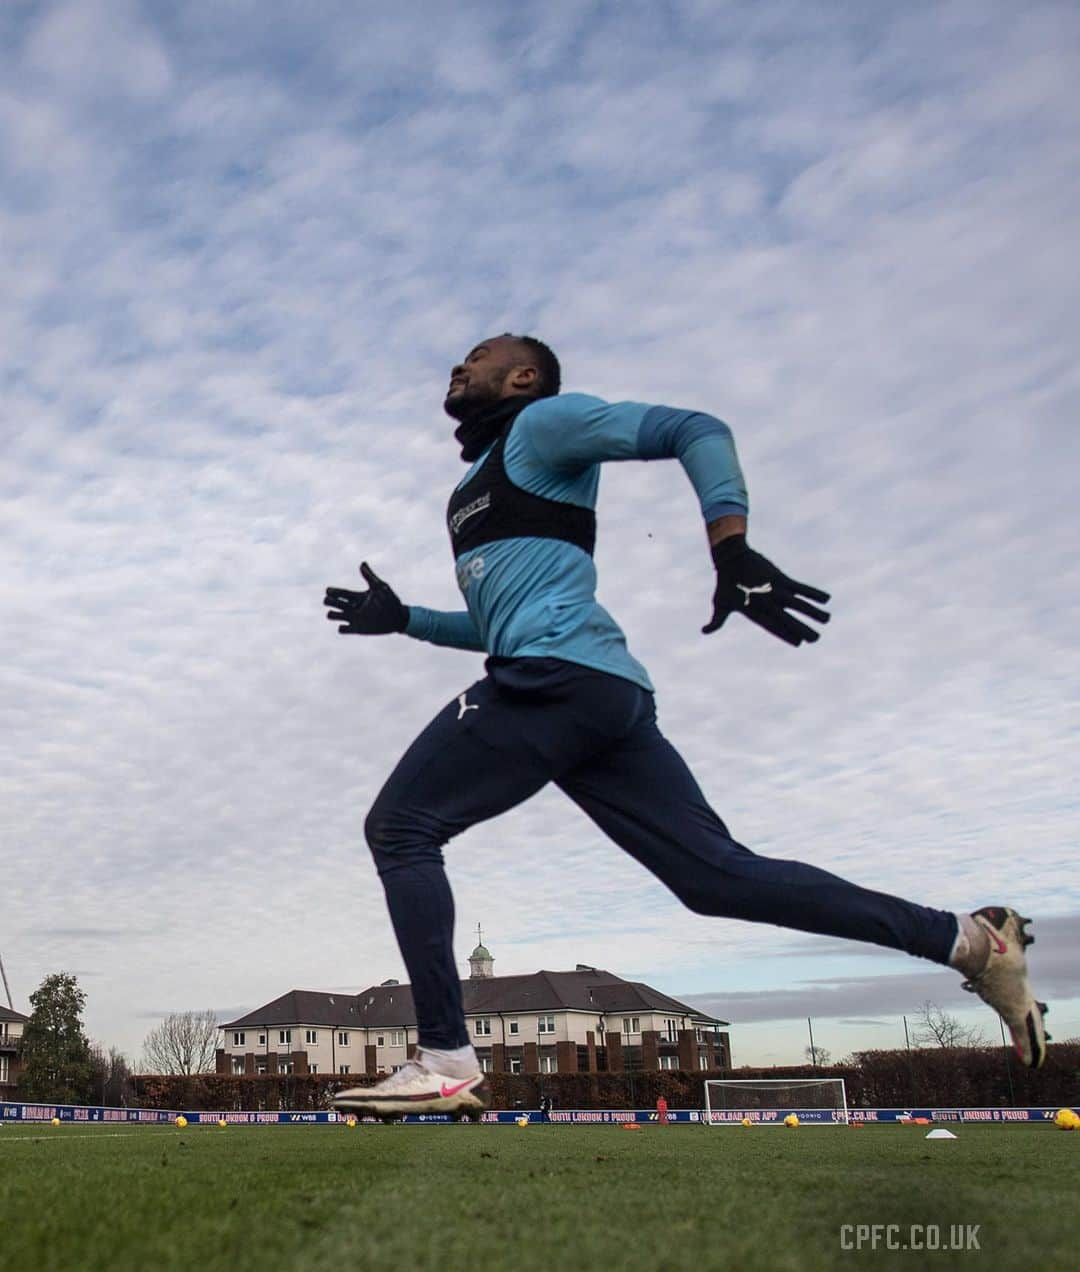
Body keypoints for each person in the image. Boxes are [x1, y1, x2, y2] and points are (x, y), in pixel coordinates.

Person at [326, 334, 1048, 1118]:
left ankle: (445, 1057)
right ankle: (970, 941)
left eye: (480, 357)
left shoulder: (545, 425)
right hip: (598, 694)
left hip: (557, 681)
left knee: (402, 826)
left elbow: (695, 428)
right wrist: (405, 620)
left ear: (523, 376)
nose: (460, 366)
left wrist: (729, 547)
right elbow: (494, 623)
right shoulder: (477, 482)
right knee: (716, 878)